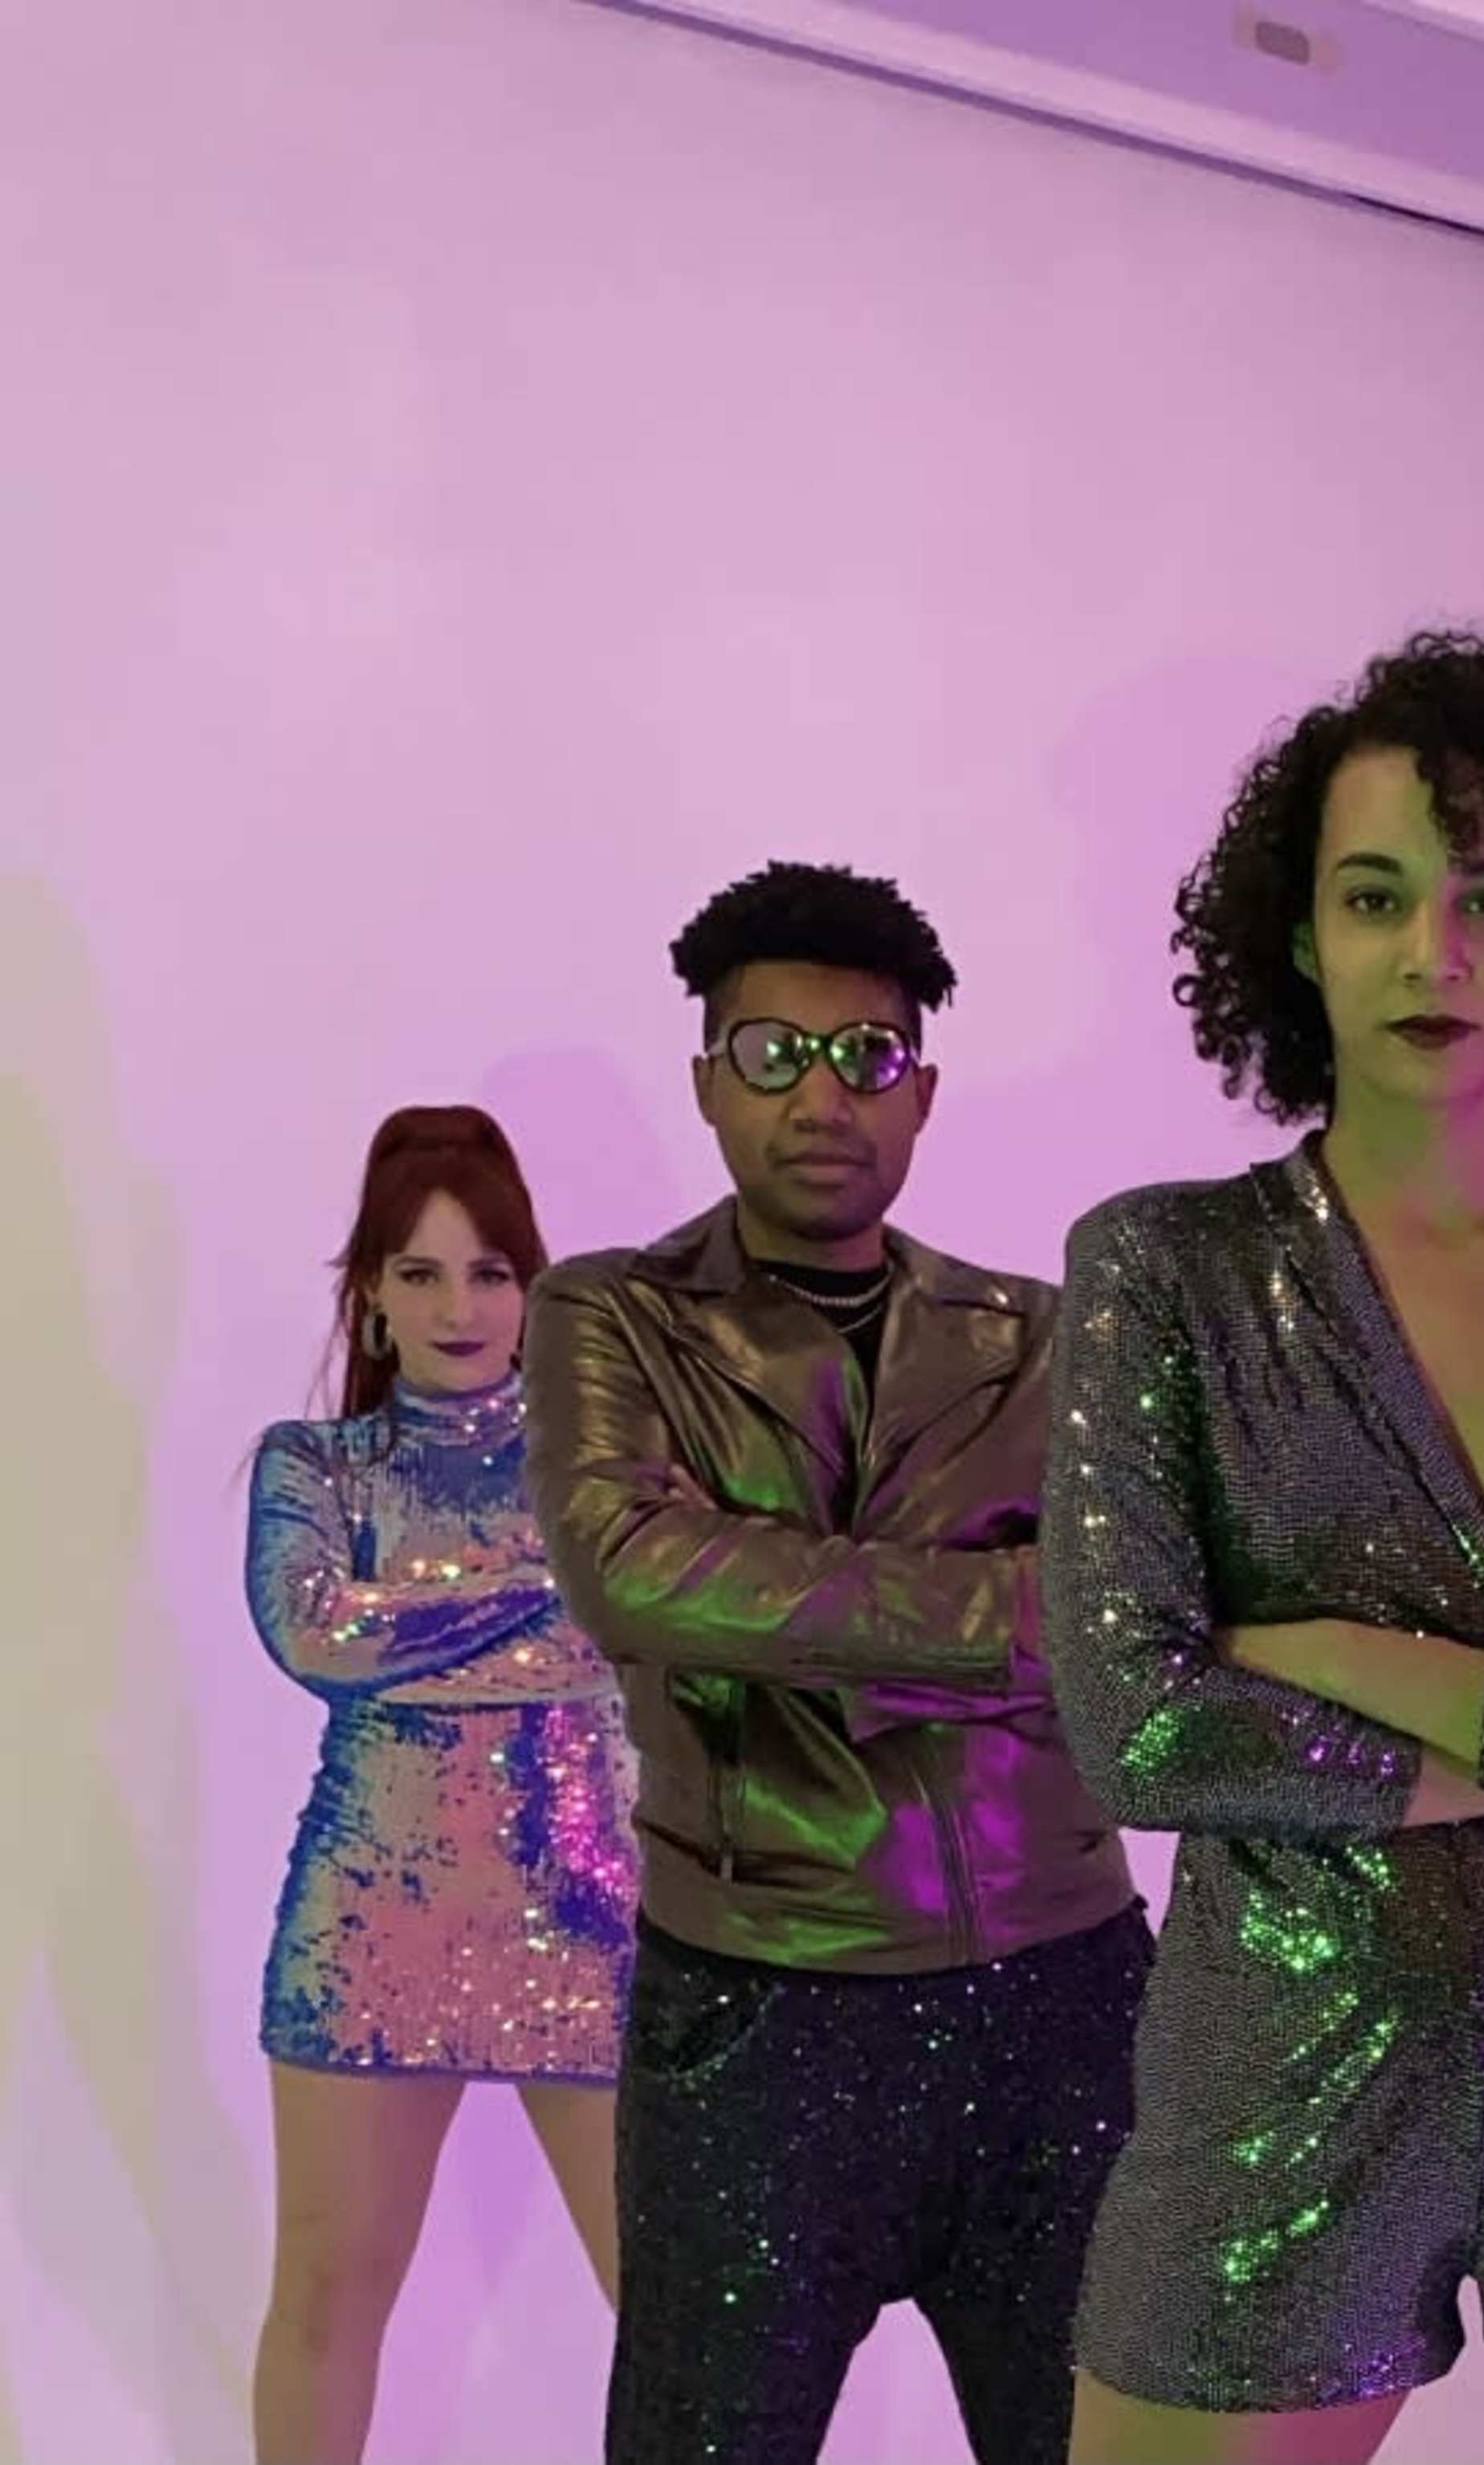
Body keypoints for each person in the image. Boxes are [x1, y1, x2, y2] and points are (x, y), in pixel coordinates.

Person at [1043, 632, 1484, 2465]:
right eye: (1376, 896)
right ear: (1296, 932)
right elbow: (1143, 1728)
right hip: (1272, 2082)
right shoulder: (1162, 1269)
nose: (1432, 952)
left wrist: (1335, 1652)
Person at [520, 862, 1151, 2465]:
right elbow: (638, 1574)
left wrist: (801, 1612)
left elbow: (1150, 1602)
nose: (824, 1094)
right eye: (772, 1052)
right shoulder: (615, 1316)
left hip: (1063, 1995)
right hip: (759, 2013)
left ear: (922, 1088)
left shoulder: (1046, 1331)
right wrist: (1021, 1611)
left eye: (867, 1055)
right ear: (708, 1082)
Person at [245, 1104, 633, 2465]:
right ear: (369, 1294)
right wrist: (558, 1593)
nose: (457, 1304)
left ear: (533, 1285)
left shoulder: (604, 1464)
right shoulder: (315, 1465)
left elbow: (633, 1617)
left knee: (676, 2311)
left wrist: (408, 1615)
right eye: (418, 1271)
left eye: (488, 1270)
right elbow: (311, 1634)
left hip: (582, 1922)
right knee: (327, 2291)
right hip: (367, 1922)